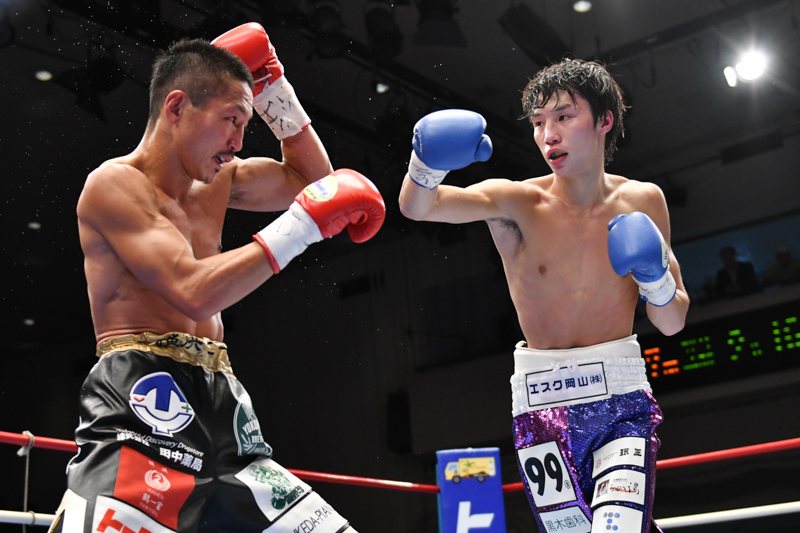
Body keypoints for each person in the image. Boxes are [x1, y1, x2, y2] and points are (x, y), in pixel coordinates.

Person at [48, 22, 385, 533]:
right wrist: (300, 226)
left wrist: (275, 91)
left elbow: (319, 187)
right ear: (177, 107)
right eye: (231, 120)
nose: (239, 140)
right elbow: (192, 290)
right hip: (144, 401)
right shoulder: (114, 185)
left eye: (246, 123)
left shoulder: (217, 181)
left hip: (225, 408)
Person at [399, 59, 689, 533]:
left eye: (562, 117)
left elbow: (673, 320)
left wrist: (655, 279)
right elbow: (418, 207)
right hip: (540, 406)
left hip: (621, 399)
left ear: (604, 121)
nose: (547, 134)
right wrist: (425, 164)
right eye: (537, 123)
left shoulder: (643, 201)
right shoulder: (514, 202)